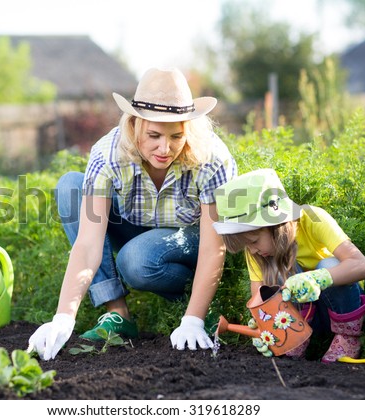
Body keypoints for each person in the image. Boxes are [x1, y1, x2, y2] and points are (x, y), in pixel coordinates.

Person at [28, 67, 237, 360]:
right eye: (153, 135)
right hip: (133, 227)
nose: (165, 149)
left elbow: (215, 246)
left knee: (136, 260)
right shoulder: (108, 155)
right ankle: (118, 315)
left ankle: (198, 303)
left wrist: (194, 319)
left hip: (189, 238)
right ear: (135, 123)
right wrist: (64, 316)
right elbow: (88, 245)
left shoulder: (210, 158)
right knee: (71, 186)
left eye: (176, 136)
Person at [212, 168, 365, 362]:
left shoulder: (312, 218)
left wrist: (317, 277)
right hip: (300, 319)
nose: (252, 250)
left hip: (338, 308)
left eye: (253, 241)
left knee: (328, 263)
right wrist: (266, 326)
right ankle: (295, 339)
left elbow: (362, 265)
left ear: (275, 224)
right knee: (275, 268)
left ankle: (348, 338)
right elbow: (259, 297)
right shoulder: (257, 250)